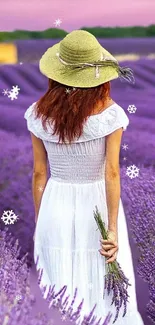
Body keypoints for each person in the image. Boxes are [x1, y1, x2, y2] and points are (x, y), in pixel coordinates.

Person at [24, 30, 144, 324]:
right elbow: (112, 173)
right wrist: (112, 229)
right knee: (101, 285)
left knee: (59, 285)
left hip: (56, 202)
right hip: (97, 204)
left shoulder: (37, 115)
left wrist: (42, 221)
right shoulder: (110, 115)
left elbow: (40, 173)